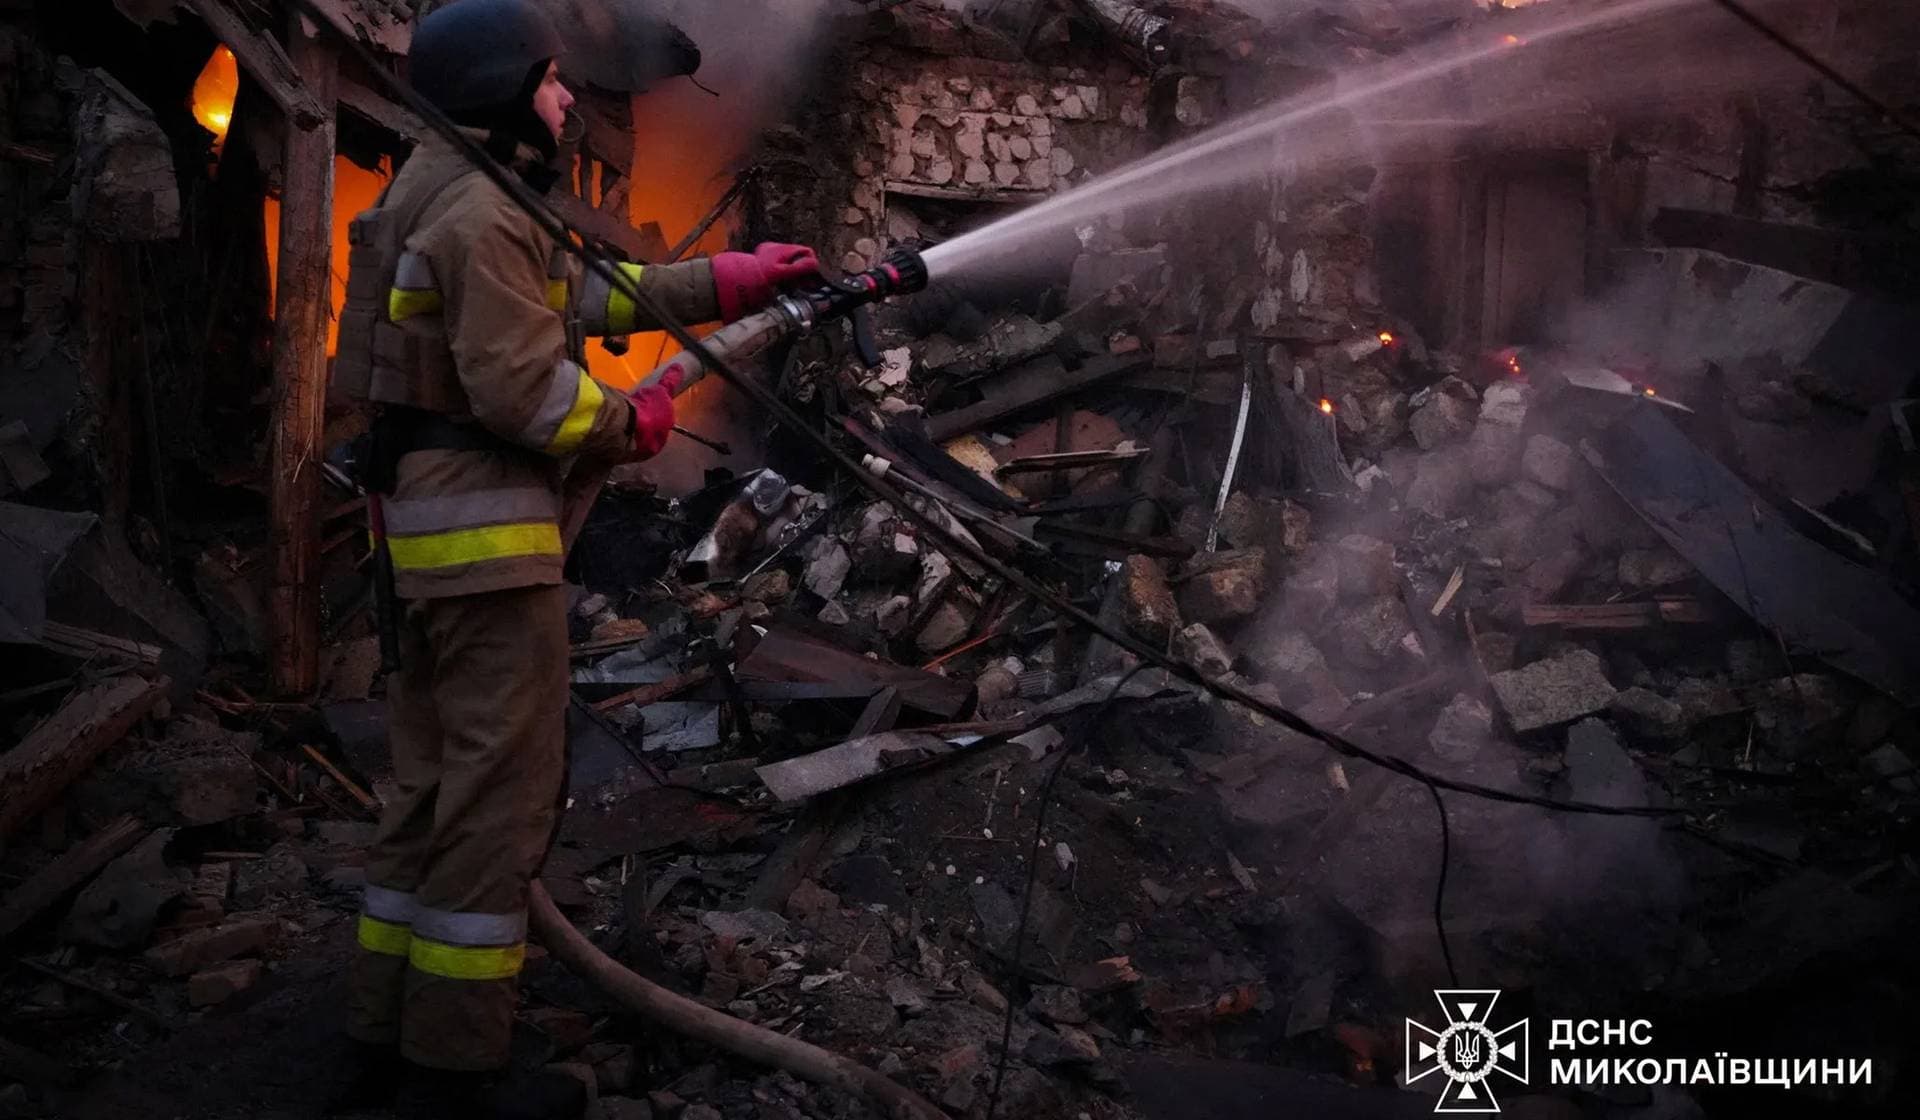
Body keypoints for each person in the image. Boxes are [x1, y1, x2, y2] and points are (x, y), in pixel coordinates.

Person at [328, 0, 818, 1111]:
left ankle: (382, 1031)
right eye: (552, 81)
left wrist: (728, 278)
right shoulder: (482, 217)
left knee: (428, 789)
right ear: (507, 91)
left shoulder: (441, 189)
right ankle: (455, 1066)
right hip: (486, 545)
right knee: (497, 799)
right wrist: (623, 424)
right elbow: (525, 388)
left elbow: (579, 300)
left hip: (422, 542)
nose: (565, 100)